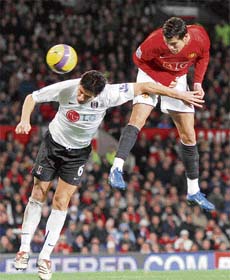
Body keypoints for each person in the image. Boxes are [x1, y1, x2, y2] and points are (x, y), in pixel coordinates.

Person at [13, 70, 203, 280]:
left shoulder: (110, 93)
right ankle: (24, 249)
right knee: (39, 192)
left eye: (87, 96)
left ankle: (45, 257)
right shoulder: (67, 88)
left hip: (78, 153)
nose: (81, 98)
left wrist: (181, 95)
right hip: (53, 145)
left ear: (98, 94)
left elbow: (146, 87)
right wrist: (25, 121)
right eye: (81, 92)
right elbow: (32, 97)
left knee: (61, 201)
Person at [109, 17, 215, 212]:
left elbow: (203, 56)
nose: (170, 47)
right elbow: (138, 59)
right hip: (151, 75)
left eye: (174, 44)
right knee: (138, 119)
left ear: (186, 37)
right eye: (168, 43)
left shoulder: (200, 36)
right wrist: (163, 81)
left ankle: (193, 191)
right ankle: (116, 168)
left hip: (179, 79)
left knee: (189, 135)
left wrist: (198, 82)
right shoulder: (155, 41)